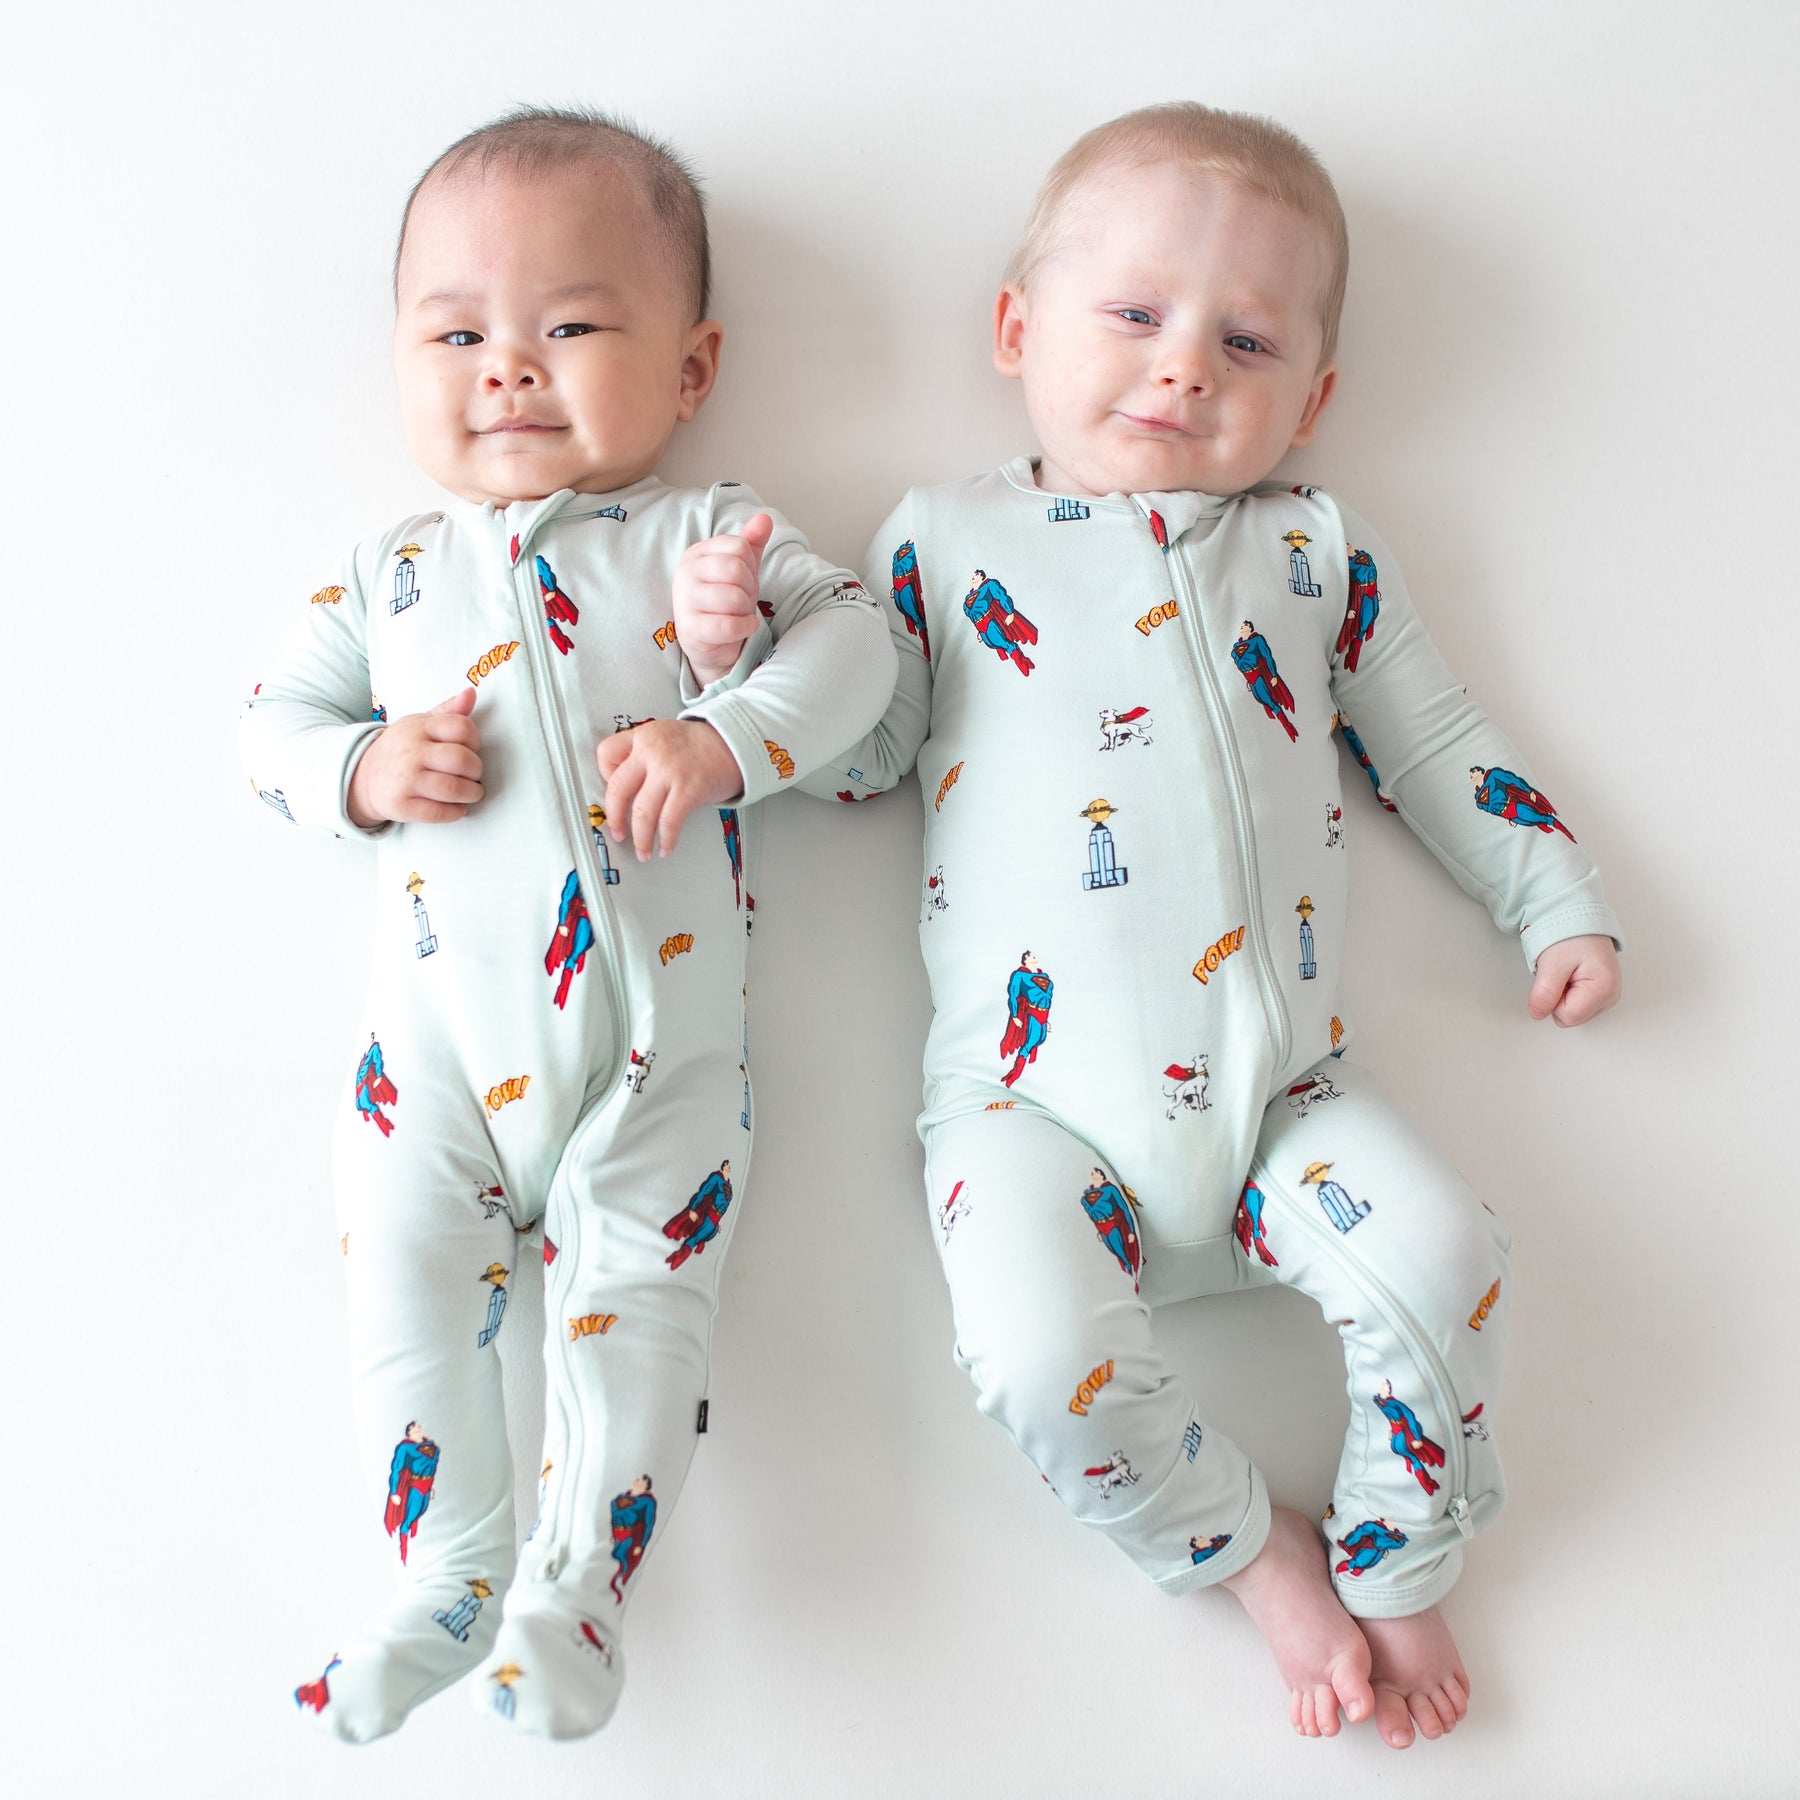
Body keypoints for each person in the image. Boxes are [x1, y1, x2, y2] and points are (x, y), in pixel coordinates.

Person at [735, 102, 1621, 1749]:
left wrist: (1551, 895)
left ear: (1314, 398)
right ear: (1018, 330)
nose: (1184, 367)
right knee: (1032, 1359)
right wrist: (748, 660)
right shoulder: (944, 540)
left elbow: (1434, 741)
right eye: (1134, 315)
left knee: (1448, 1254)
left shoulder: (1314, 550)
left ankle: (1398, 1539)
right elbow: (860, 765)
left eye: (1247, 338)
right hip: (1029, 1103)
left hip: (1286, 1088)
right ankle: (1242, 1548)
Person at [241, 104, 895, 1745]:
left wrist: (720, 714)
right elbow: (268, 733)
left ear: (689, 369)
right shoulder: (387, 576)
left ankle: (572, 1594)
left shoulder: (706, 538)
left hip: (656, 1064)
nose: (509, 368)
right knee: (399, 1281)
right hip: (431, 1065)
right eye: (455, 331)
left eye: (572, 326)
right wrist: (365, 768)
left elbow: (865, 658)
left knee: (635, 1326)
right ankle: (446, 1571)